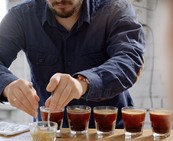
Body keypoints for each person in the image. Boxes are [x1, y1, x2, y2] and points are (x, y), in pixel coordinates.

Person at [0, 0, 145, 127]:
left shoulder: (116, 9)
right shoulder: (21, 16)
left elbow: (129, 59)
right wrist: (7, 85)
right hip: (51, 133)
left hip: (110, 132)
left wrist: (83, 84)